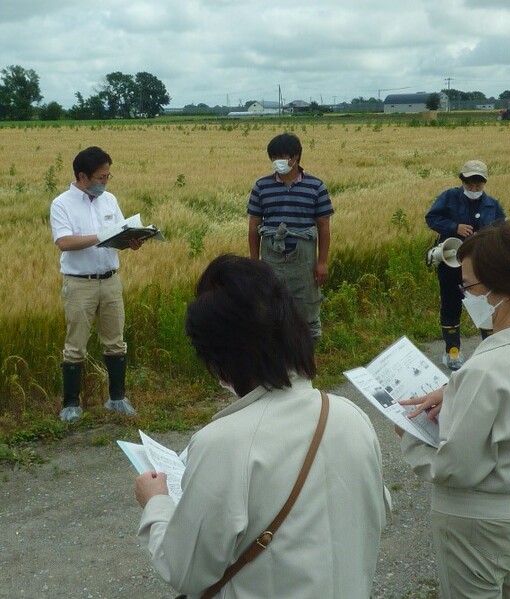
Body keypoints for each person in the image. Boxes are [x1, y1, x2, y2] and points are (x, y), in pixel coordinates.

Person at [134, 255, 388, 598]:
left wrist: (156, 503)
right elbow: (378, 511)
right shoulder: (351, 416)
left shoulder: (222, 443)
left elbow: (185, 571)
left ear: (220, 358)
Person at [397, 223, 510, 599]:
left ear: (503, 289)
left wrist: (409, 435)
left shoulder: (485, 368)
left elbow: (453, 468)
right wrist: (454, 391)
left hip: (481, 524)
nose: (466, 296)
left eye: (470, 286)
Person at [49, 146, 142, 423]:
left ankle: (117, 399)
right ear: (82, 176)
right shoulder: (62, 204)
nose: (105, 182)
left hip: (111, 280)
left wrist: (131, 241)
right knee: (75, 344)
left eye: (108, 176)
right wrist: (101, 236)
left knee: (115, 342)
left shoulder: (109, 200)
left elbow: (119, 235)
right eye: (101, 177)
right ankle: (71, 404)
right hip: (80, 284)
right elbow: (64, 242)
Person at [247, 132, 333, 341]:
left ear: (296, 157)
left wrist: (322, 262)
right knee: (271, 304)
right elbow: (254, 226)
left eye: (282, 156)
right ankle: (277, 351)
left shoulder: (316, 186)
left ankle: (307, 353)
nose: (278, 162)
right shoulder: (261, 186)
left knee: (306, 305)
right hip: (271, 258)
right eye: (273, 157)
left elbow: (323, 226)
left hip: (304, 260)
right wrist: (254, 261)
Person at [425, 160, 506, 370]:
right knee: (451, 306)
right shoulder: (449, 197)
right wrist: (454, 227)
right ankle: (452, 352)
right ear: (462, 180)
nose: (473, 188)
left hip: (480, 266)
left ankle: (489, 351)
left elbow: (501, 228)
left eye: (478, 185)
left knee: (485, 308)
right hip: (451, 263)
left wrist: (485, 236)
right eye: (469, 184)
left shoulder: (493, 205)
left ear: (485, 183)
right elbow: (431, 217)